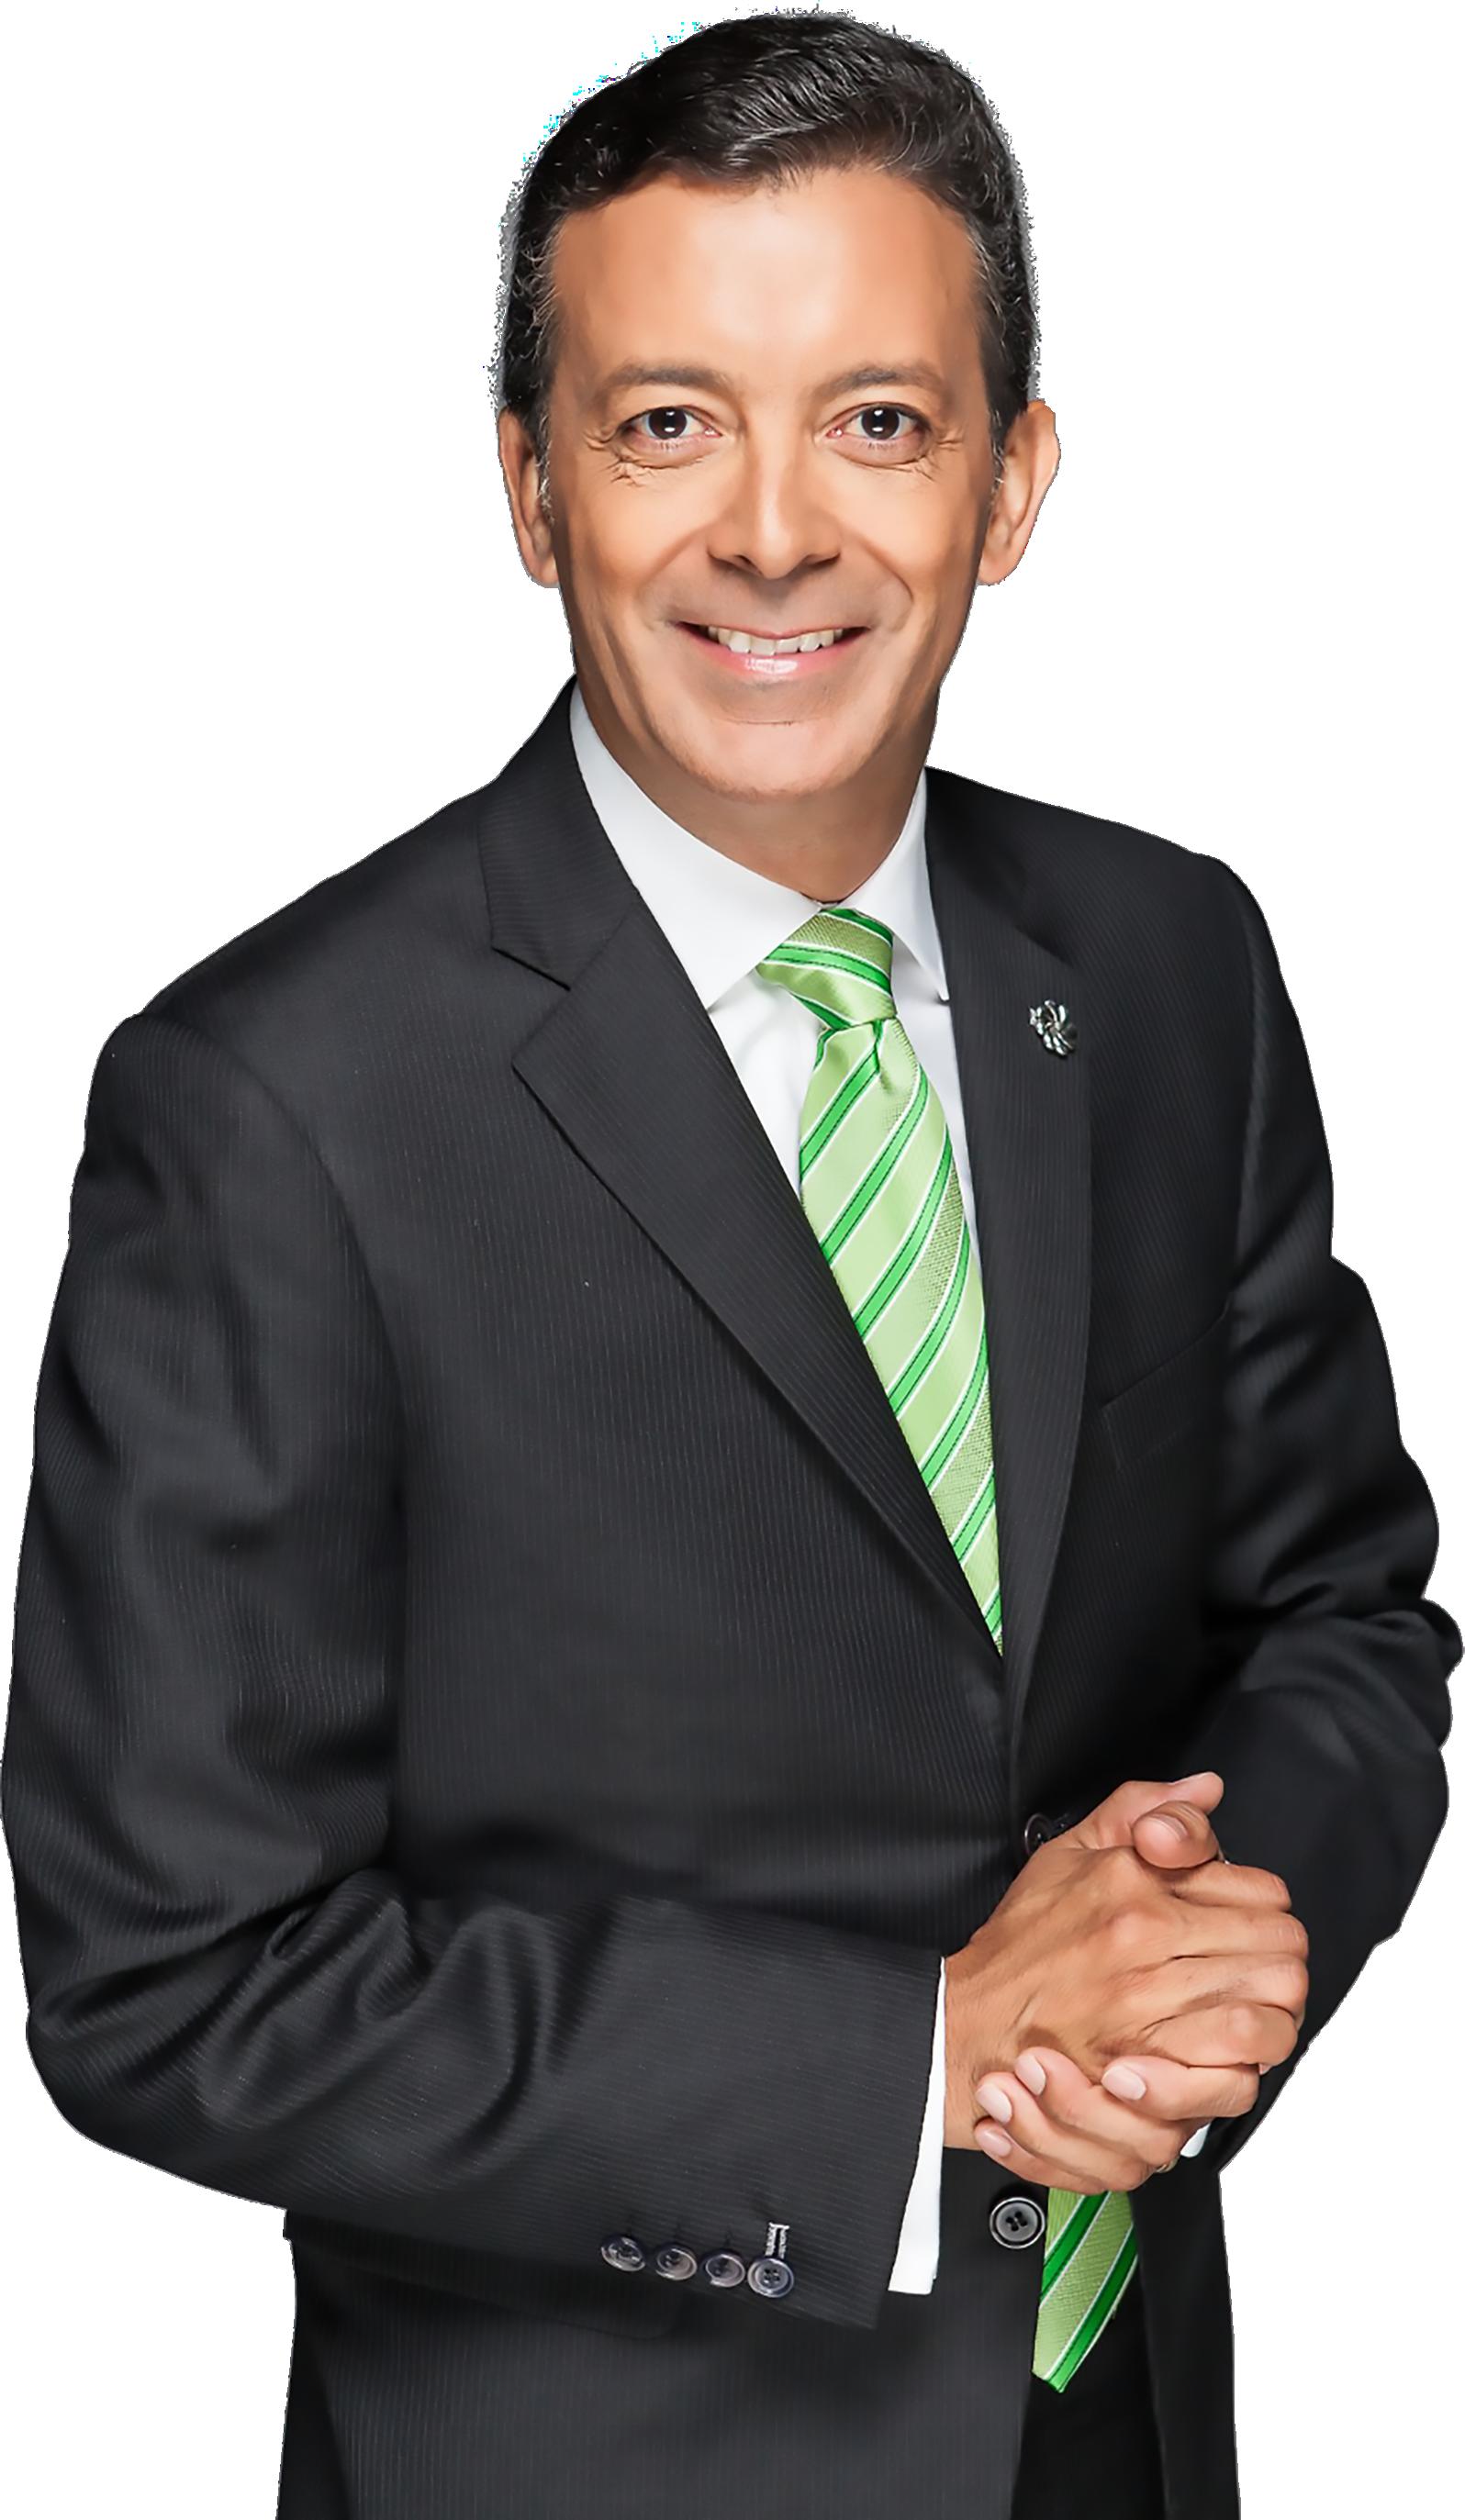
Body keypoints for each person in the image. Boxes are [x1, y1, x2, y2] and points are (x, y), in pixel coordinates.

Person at [3, 14, 1457, 2518]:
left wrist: (1218, 1934)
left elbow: (1335, 1609)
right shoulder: (271, 1100)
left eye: (877, 421)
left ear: (1012, 479)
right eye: (667, 422)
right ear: (527, 485)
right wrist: (920, 2062)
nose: (774, 533)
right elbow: (172, 1975)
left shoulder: (1168, 963)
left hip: (1112, 2446)